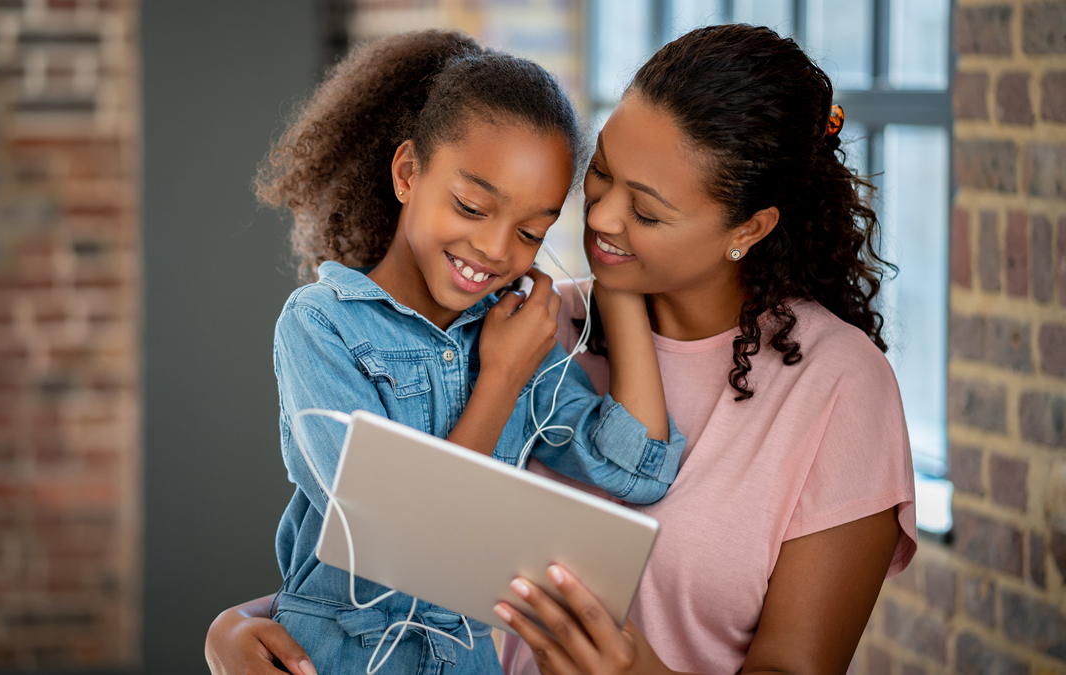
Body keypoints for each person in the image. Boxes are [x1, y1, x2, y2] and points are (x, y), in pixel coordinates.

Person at [209, 30, 688, 675]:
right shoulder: (323, 328)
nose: (494, 248)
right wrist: (503, 379)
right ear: (408, 174)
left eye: (530, 232)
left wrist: (618, 281)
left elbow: (636, 468)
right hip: (335, 656)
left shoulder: (515, 332)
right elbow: (395, 533)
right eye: (470, 206)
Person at [493, 24, 916, 675]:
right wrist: (277, 623)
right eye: (602, 171)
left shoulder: (840, 387)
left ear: (748, 228)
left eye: (649, 212)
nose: (601, 218)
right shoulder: (533, 323)